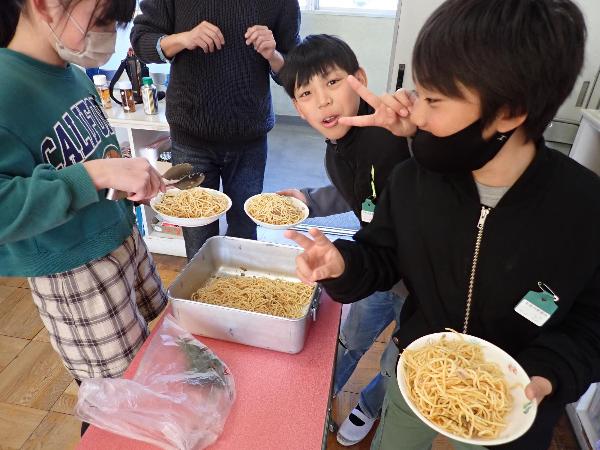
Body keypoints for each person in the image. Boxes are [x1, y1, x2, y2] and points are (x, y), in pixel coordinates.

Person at [285, 0, 600, 449]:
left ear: (508, 112)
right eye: (418, 94)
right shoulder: (415, 183)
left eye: (433, 100)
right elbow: (382, 254)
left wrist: (551, 371)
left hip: (513, 406)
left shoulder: (583, 210)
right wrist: (344, 264)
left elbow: (592, 323)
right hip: (417, 374)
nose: (415, 115)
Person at [0, 0, 168, 435]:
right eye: (101, 20)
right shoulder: (5, 87)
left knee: (153, 360)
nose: (109, 36)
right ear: (46, 5)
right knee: (116, 404)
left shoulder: (73, 75)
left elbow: (98, 157)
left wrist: (129, 178)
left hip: (123, 243)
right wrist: (94, 174)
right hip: (73, 273)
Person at [278, 34, 410, 446]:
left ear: (360, 79)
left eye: (333, 83)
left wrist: (416, 130)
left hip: (423, 284)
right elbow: (359, 192)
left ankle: (368, 406)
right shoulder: (335, 151)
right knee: (353, 338)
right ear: (298, 108)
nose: (323, 101)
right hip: (373, 267)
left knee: (399, 364)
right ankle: (317, 397)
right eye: (307, 92)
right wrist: (308, 199)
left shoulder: (395, 136)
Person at [131, 0, 301, 260]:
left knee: (245, 233)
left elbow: (294, 71)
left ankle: (240, 296)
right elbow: (142, 41)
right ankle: (200, 296)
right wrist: (184, 39)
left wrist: (273, 54)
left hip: (249, 138)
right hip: (191, 135)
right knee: (197, 234)